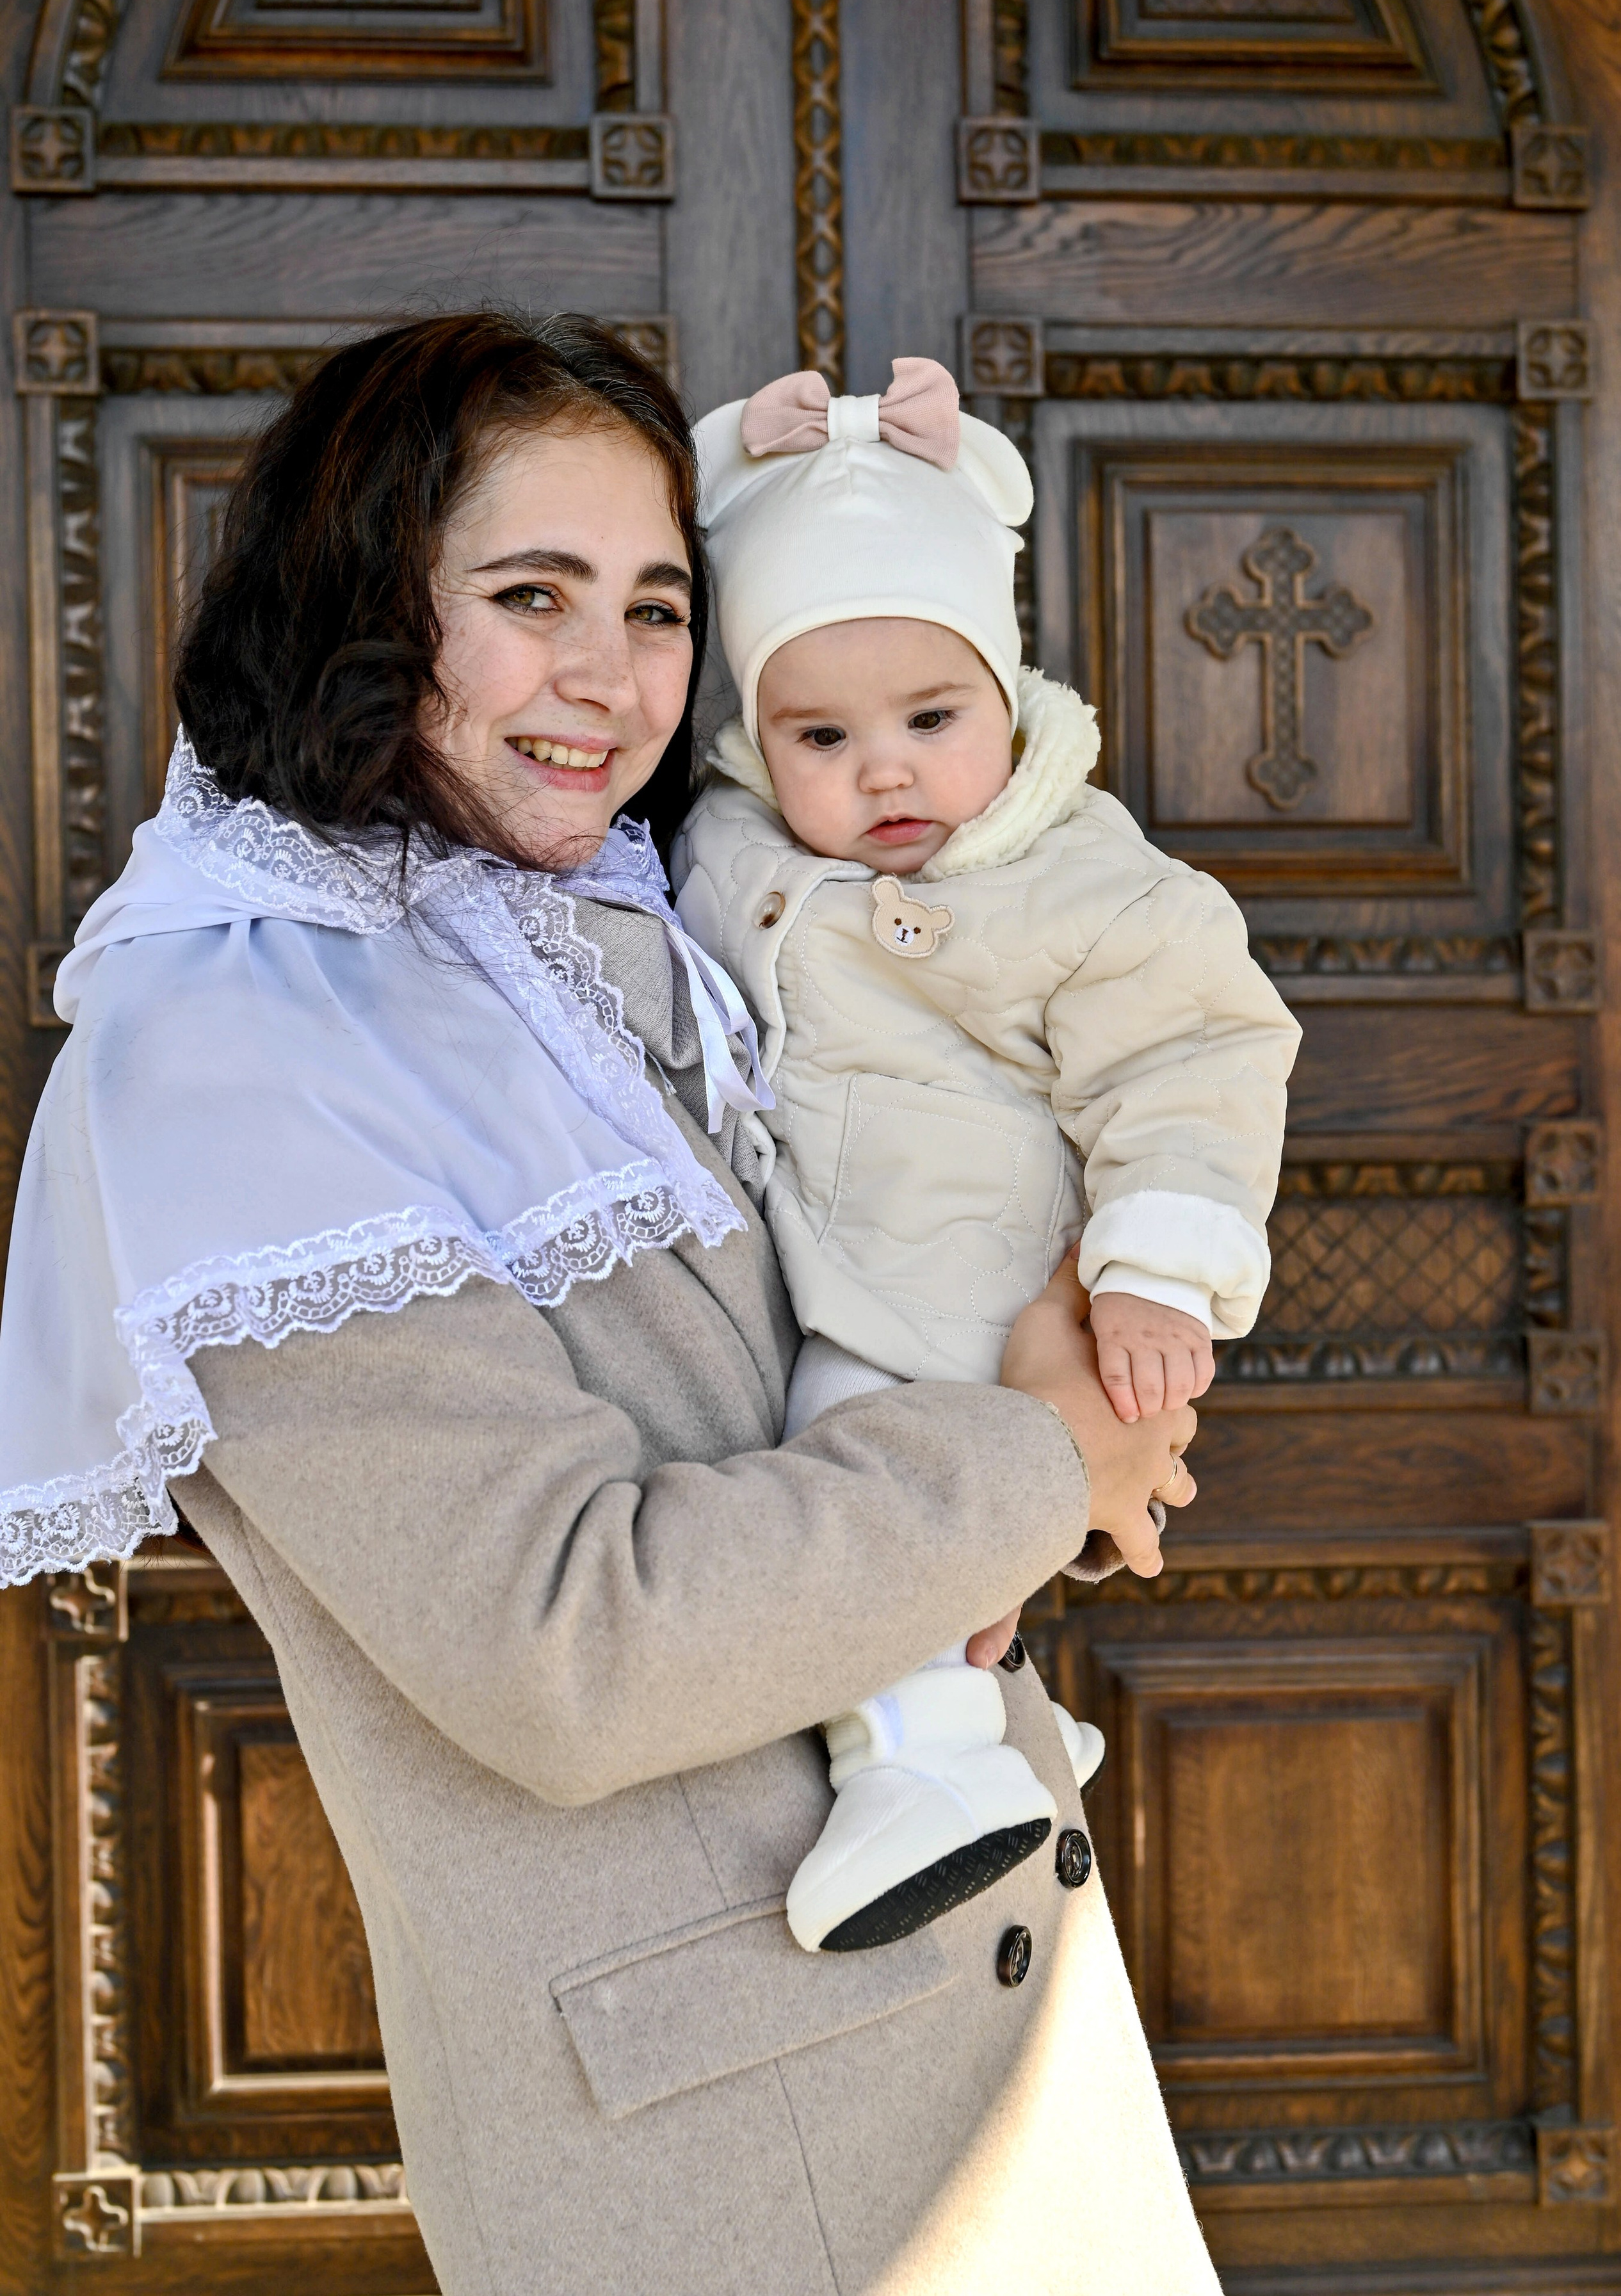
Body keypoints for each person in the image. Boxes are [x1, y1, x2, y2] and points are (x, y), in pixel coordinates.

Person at [0, 314, 1216, 2296]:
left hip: (964, 2005)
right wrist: (1039, 1455)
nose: (610, 677)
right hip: (741, 2154)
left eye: (657, 602)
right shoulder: (237, 1047)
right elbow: (577, 1645)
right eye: (527, 595)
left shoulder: (612, 932)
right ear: (359, 601)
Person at [673, 357, 1300, 1955]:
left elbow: (1191, 1052)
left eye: (930, 719)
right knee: (865, 1516)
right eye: (819, 732)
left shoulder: (1081, 877)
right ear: (753, 736)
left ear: (1006, 701)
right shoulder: (730, 846)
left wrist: (1154, 1272)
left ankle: (924, 1779)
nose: (881, 770)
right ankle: (1005, 1729)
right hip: (823, 1272)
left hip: (959, 1289)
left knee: (856, 1505)